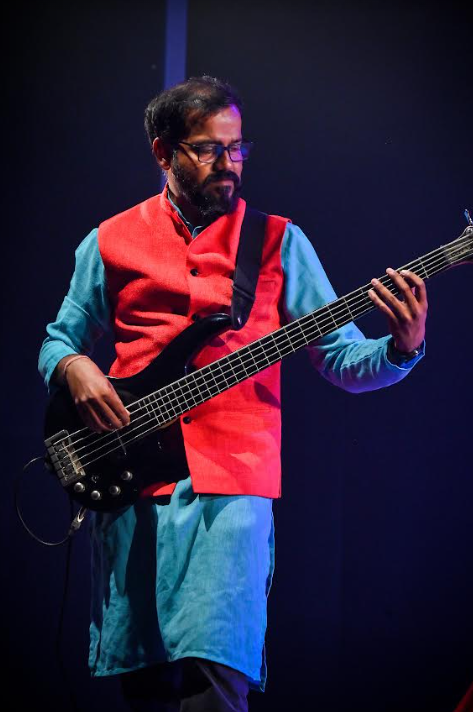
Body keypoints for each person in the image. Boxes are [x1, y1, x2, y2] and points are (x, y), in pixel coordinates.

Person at [38, 76, 427, 712]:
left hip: (233, 486)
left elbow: (341, 359)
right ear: (163, 152)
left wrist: (402, 348)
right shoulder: (110, 239)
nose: (229, 163)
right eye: (208, 149)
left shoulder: (278, 242)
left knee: (214, 685)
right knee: (146, 689)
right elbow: (57, 340)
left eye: (238, 147)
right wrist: (75, 366)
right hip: (129, 482)